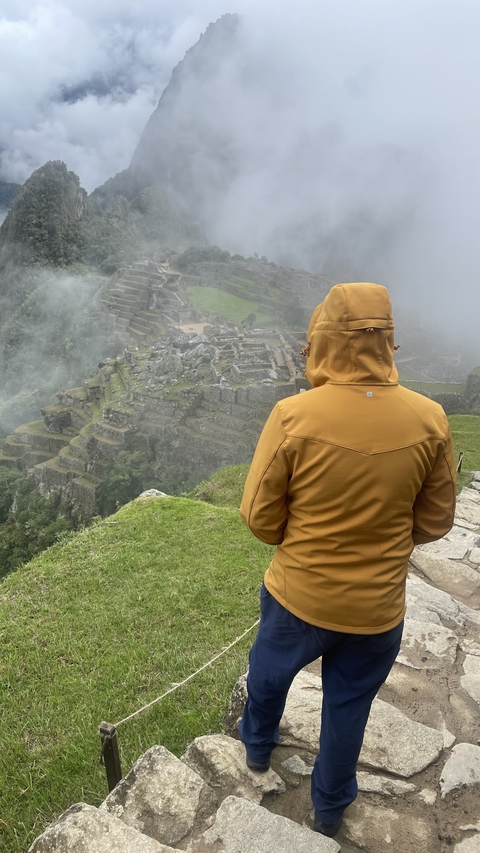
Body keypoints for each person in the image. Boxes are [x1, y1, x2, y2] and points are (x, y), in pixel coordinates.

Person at [238, 282, 456, 837]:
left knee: (267, 676)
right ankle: (330, 808)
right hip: (377, 609)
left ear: (322, 342)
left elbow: (260, 518)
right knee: (348, 709)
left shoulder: (293, 416)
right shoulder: (430, 419)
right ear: (388, 344)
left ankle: (258, 751)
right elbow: (435, 522)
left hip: (299, 596)